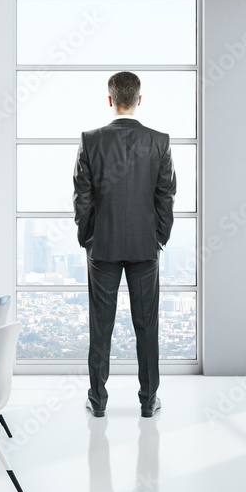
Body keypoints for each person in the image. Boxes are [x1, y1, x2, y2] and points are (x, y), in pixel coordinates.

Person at [73, 72, 176, 418]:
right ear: (139, 99)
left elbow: (82, 198)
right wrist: (159, 236)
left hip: (102, 246)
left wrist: (87, 237)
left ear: (110, 99)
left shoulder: (91, 140)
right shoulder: (159, 141)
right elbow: (166, 195)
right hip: (145, 247)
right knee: (147, 325)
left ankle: (98, 402)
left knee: (100, 326)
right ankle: (148, 401)